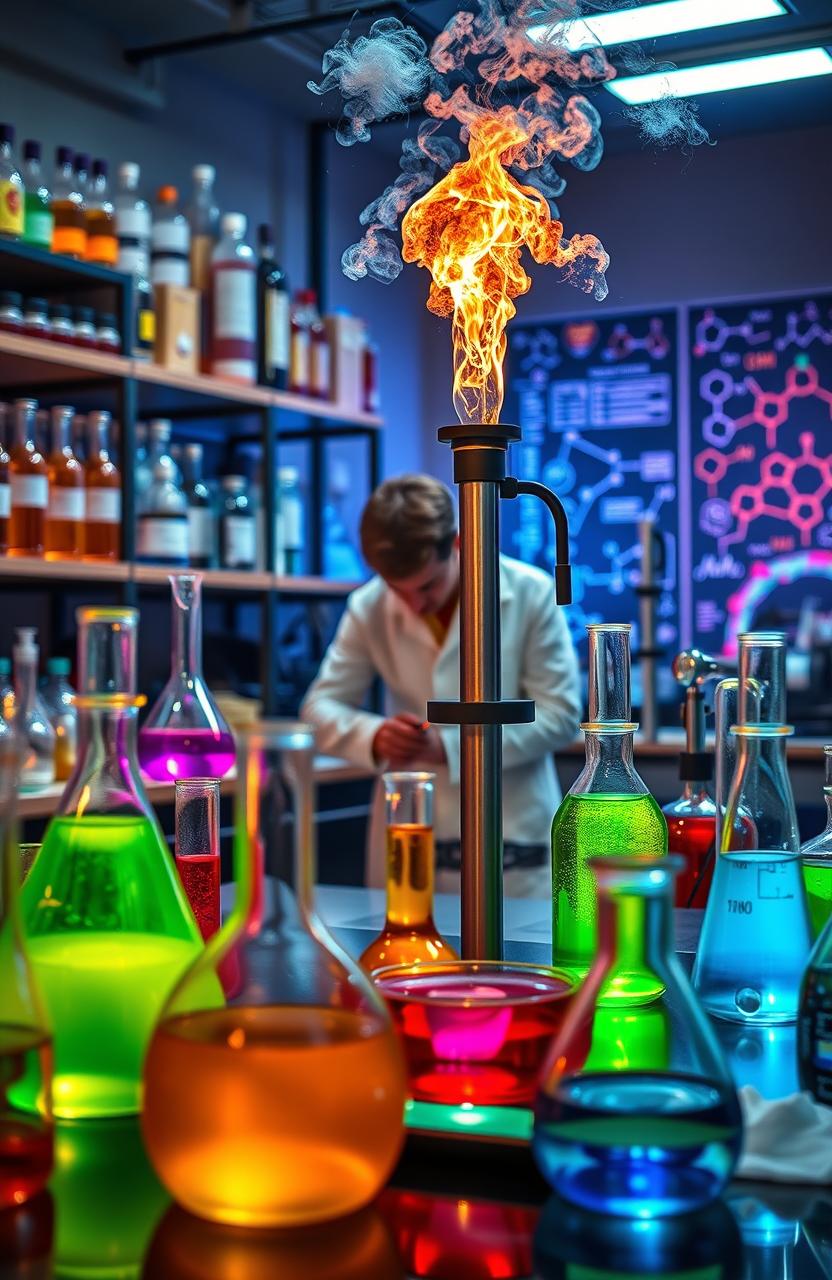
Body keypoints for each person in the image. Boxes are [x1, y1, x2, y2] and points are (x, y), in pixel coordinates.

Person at [301, 473, 582, 897]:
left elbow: (561, 716)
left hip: (514, 836)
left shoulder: (530, 593)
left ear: (457, 542)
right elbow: (320, 708)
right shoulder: (368, 606)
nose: (414, 605)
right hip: (411, 830)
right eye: (398, 589)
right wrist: (375, 737)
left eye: (428, 586)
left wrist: (452, 747)